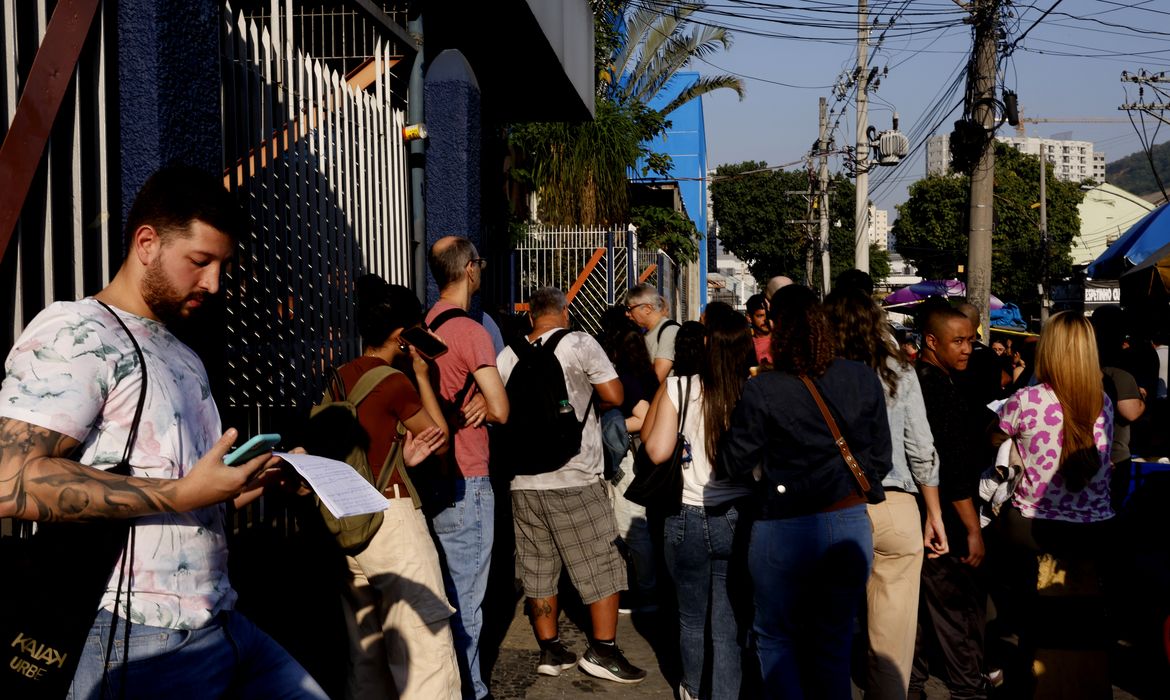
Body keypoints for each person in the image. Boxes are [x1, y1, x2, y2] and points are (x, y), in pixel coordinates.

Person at [0, 166, 327, 697]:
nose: (214, 283)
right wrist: (179, 493)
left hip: (221, 618)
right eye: (199, 262)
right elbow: (9, 479)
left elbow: (185, 501)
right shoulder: (77, 331)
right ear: (147, 243)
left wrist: (246, 485)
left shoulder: (184, 353)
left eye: (223, 266)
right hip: (136, 631)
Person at [719, 285, 892, 699]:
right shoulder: (862, 376)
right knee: (833, 643)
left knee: (776, 638)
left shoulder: (764, 388)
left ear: (775, 326)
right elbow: (881, 458)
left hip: (783, 523)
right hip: (849, 518)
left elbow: (733, 463)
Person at [497, 287, 646, 685]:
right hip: (575, 473)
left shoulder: (508, 354)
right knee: (601, 562)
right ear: (566, 313)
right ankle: (603, 651)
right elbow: (614, 394)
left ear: (531, 316)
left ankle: (550, 649)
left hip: (523, 480)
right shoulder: (580, 342)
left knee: (538, 566)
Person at [328, 275, 460, 700]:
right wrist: (422, 374)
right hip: (391, 517)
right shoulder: (394, 381)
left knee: (366, 649)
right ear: (403, 336)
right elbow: (438, 438)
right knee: (425, 643)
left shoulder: (341, 377)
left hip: (349, 517)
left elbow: (369, 448)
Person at [824, 289, 948, 700]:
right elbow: (921, 448)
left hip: (834, 505)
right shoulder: (900, 371)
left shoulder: (817, 371)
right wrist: (934, 514)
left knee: (830, 626)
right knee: (892, 641)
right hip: (896, 506)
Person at [994, 312, 1116, 694]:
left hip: (1034, 527)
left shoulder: (1027, 399)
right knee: (1082, 616)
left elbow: (992, 435)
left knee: (1031, 615)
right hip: (1095, 527)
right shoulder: (1105, 402)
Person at [642, 303, 755, 700]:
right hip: (738, 516)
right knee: (728, 625)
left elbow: (656, 451)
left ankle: (691, 689)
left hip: (686, 514)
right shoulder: (750, 389)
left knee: (690, 619)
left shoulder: (681, 386)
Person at [424, 236, 510, 700]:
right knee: (467, 601)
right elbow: (501, 409)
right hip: (468, 475)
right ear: (471, 270)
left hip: (432, 474)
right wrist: (483, 396)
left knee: (442, 595)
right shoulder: (472, 332)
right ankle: (470, 690)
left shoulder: (426, 324)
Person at [909, 306, 988, 700]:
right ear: (931, 341)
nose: (967, 348)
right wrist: (972, 529)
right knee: (953, 609)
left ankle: (912, 684)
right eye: (958, 341)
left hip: (923, 514)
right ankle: (967, 689)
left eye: (971, 340)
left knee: (923, 609)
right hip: (945, 520)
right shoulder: (935, 386)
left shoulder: (918, 381)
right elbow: (951, 468)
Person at [596, 307, 660, 610]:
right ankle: (644, 588)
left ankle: (645, 593)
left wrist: (611, 427)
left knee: (630, 527)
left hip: (627, 458)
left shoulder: (626, 378)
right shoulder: (646, 373)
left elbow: (644, 415)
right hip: (640, 458)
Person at [626, 283, 679, 383]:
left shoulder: (669, 331)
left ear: (647, 309)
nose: (627, 314)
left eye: (630, 309)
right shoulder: (645, 333)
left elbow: (657, 378)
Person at [745, 293, 772, 365]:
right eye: (760, 316)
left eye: (769, 315)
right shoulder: (746, 346)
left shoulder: (783, 342)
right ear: (749, 318)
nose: (765, 319)